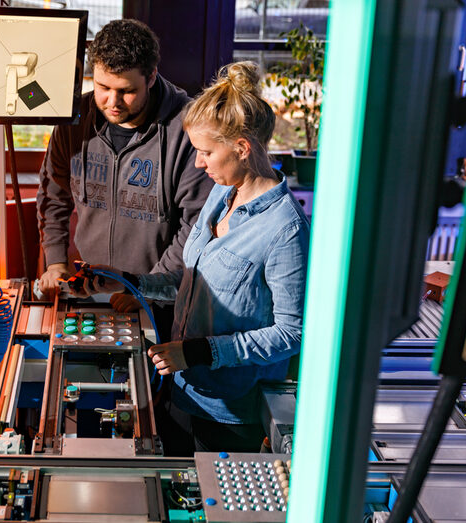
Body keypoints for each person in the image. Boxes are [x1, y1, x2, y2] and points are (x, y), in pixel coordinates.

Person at [71, 61, 310, 454]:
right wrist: (129, 280)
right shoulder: (222, 193)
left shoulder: (286, 230)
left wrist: (200, 352)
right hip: (184, 389)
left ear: (242, 148)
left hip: (229, 410)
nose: (199, 163)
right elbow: (190, 278)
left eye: (206, 152)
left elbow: (292, 333)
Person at [36, 19, 213, 314]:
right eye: (103, 87)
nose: (112, 102)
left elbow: (195, 224)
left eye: (126, 90)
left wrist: (146, 288)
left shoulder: (189, 129)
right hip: (89, 293)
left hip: (161, 302)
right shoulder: (73, 122)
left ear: (152, 76)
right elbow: (54, 198)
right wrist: (55, 262)